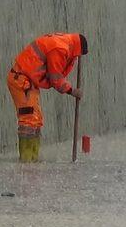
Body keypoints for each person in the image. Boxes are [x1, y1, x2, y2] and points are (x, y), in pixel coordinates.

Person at [7, 32, 88, 162]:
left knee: (36, 120)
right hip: (21, 80)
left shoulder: (64, 43)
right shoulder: (60, 48)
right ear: (78, 49)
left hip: (28, 81)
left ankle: (32, 159)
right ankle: (26, 161)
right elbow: (55, 78)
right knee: (29, 120)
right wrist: (72, 91)